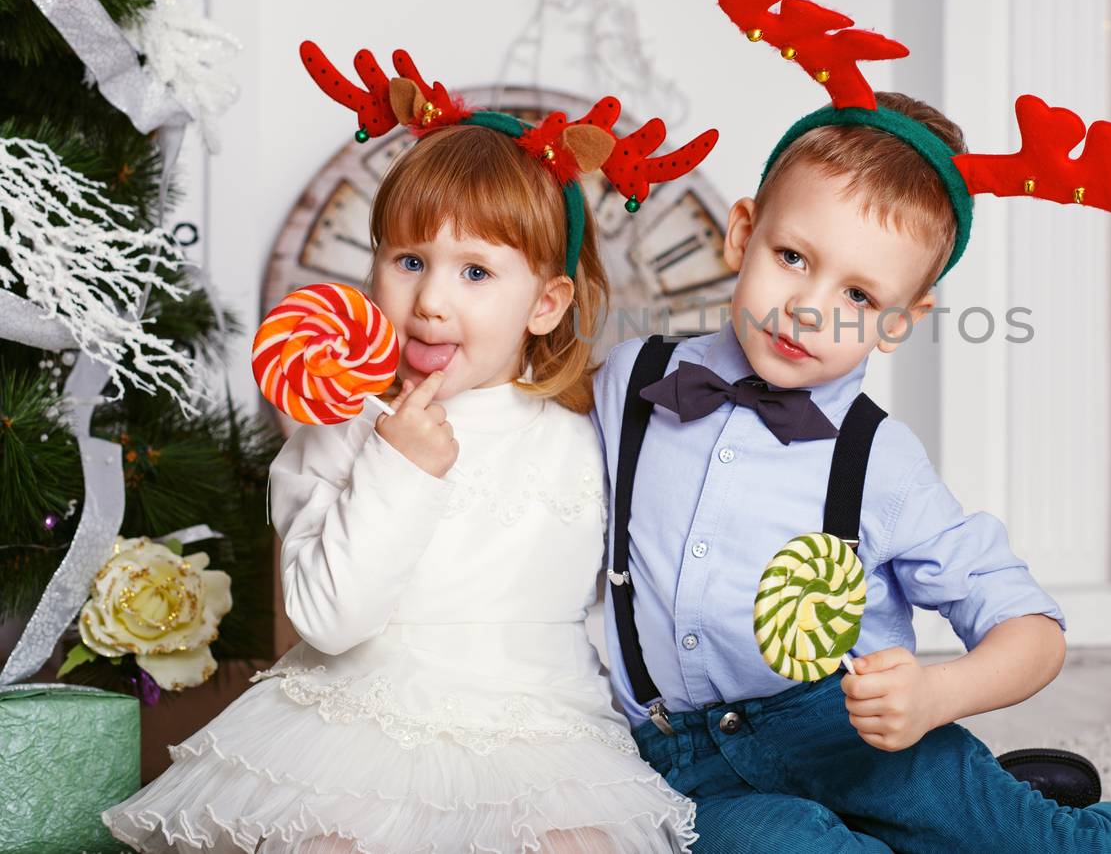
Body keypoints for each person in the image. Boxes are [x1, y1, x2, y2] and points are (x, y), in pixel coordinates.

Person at [588, 0, 1111, 854]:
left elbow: (1032, 632)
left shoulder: (878, 462)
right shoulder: (636, 376)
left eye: (859, 292)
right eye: (792, 257)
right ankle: (976, 805)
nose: (809, 308)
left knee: (1050, 848)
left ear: (901, 320)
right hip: (680, 760)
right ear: (739, 233)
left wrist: (941, 694)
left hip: (853, 737)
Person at [103, 62, 699, 852]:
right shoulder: (341, 422)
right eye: (409, 261)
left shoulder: (583, 435)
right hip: (354, 723)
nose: (431, 301)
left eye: (476, 272)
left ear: (545, 303)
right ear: (374, 262)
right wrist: (398, 465)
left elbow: (645, 595)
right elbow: (329, 617)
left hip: (538, 739)